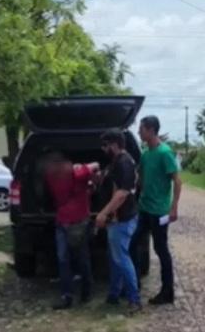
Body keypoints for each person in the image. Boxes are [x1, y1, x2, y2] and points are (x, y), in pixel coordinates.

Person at [131, 116, 182, 305]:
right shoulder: (145, 154)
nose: (139, 132)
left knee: (161, 250)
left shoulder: (165, 152)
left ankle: (167, 291)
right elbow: (141, 178)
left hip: (160, 211)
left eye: (141, 129)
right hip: (144, 208)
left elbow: (177, 180)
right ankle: (133, 283)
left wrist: (173, 207)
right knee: (133, 244)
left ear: (151, 130)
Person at [44, 152, 100, 310]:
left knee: (65, 259)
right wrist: (87, 174)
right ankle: (83, 292)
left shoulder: (51, 175)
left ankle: (69, 295)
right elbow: (95, 165)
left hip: (67, 221)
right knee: (81, 258)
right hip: (75, 221)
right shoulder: (76, 172)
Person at [96, 129, 141, 315]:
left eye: (105, 144)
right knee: (115, 258)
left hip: (121, 219)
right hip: (117, 219)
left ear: (114, 144)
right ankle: (114, 294)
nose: (103, 148)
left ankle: (134, 300)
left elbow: (122, 193)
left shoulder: (124, 163)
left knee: (121, 258)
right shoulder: (117, 162)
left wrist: (102, 213)